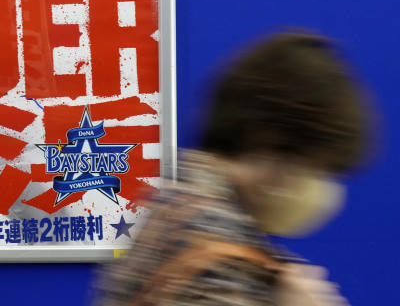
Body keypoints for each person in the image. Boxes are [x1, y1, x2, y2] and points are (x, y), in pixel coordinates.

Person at [96, 32, 371, 306]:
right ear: (269, 142)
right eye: (318, 170)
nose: (322, 193)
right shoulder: (217, 256)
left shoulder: (172, 202)